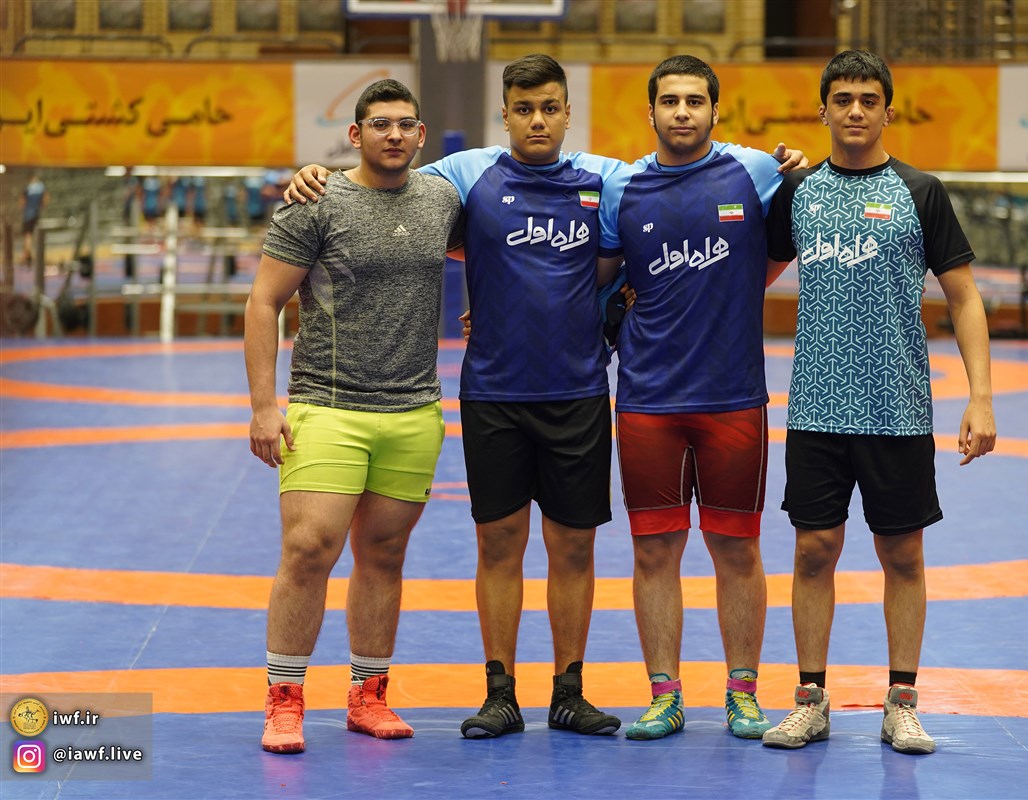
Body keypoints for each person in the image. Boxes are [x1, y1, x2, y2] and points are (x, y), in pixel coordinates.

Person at [285, 55, 806, 742]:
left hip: (583, 392)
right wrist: (318, 176)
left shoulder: (611, 179)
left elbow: (642, 247)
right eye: (524, 109)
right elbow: (390, 180)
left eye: (550, 108)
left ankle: (572, 692)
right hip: (495, 393)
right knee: (501, 544)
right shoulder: (466, 173)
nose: (537, 120)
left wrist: (790, 167)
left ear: (567, 113)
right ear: (504, 114)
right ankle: (501, 693)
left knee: (578, 549)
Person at [761, 50, 996, 755]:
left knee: (903, 554)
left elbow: (964, 298)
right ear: (823, 110)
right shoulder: (797, 193)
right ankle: (810, 701)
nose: (856, 110)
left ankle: (902, 703)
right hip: (815, 408)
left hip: (898, 409)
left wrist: (981, 398)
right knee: (813, 551)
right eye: (843, 99)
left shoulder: (921, 192)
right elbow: (748, 275)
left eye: (868, 99)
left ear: (888, 110)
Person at [244, 78, 463, 755]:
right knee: (308, 549)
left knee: (385, 555)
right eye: (379, 124)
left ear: (421, 134)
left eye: (405, 124)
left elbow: (507, 243)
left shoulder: (443, 201)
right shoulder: (315, 201)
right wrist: (263, 406)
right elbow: (263, 302)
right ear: (355, 133)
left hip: (412, 409)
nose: (393, 135)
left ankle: (369, 696)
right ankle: (284, 701)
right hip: (327, 405)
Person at [595, 55, 798, 741]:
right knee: (655, 551)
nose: (682, 112)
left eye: (694, 100)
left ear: (716, 110)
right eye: (670, 101)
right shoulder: (622, 189)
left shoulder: (757, 172)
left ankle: (743, 692)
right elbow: (591, 279)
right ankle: (665, 695)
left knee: (736, 548)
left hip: (733, 397)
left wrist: (796, 167)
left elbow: (782, 240)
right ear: (650, 111)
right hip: (647, 398)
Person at [20, 174, 48, 266]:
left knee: (28, 235)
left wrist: (25, 208)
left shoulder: (28, 188)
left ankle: (27, 256)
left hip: (28, 215)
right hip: (36, 214)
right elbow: (45, 198)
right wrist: (41, 205)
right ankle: (34, 255)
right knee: (36, 235)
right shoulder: (41, 187)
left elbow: (22, 202)